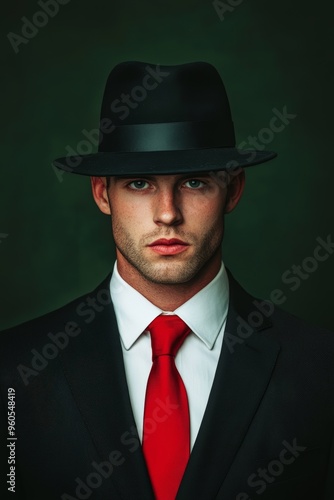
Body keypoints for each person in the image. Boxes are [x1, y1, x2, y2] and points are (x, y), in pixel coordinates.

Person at [0, 61, 333, 500]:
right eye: (139, 184)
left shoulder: (321, 369)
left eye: (194, 182)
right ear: (102, 193)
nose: (168, 213)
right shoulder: (14, 369)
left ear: (232, 191)